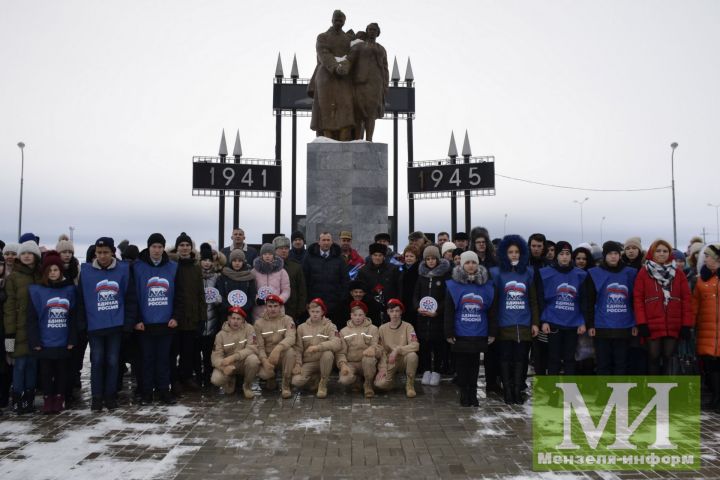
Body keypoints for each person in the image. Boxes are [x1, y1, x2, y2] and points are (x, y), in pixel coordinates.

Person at [76, 237, 136, 411]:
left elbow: (130, 298)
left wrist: (128, 324)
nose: (102, 256)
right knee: (97, 360)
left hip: (115, 325)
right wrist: (82, 324)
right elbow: (81, 299)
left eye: (106, 252)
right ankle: (96, 397)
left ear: (112, 253)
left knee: (112, 361)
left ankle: (110, 395)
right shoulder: (86, 271)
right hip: (95, 326)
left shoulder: (123, 270)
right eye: (99, 252)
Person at [490, 235, 540, 405]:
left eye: (516, 252)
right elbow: (494, 302)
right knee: (505, 358)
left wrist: (535, 322)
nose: (513, 255)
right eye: (510, 252)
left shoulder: (528, 272)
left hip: (524, 324)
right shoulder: (497, 273)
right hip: (505, 323)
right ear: (504, 253)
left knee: (521, 359)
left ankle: (518, 389)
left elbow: (533, 300)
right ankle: (508, 390)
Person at [26, 251, 77, 414]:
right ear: (45, 272)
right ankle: (48, 398)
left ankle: (60, 397)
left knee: (62, 371)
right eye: (50, 270)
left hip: (63, 340)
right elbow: (32, 319)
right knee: (46, 372)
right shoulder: (37, 291)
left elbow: (74, 317)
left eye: (56, 270)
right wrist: (35, 341)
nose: (53, 273)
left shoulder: (70, 290)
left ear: (60, 271)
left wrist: (72, 338)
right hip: (45, 340)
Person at [132, 233, 179, 405]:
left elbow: (178, 295)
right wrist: (136, 319)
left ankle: (163, 391)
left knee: (164, 359)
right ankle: (146, 392)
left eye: (160, 247)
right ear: (148, 247)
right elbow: (133, 295)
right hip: (145, 324)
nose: (157, 250)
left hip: (166, 322)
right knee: (147, 360)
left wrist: (175, 316)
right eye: (154, 247)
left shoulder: (173, 267)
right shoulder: (137, 267)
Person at [633, 239, 693, 375]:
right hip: (651, 324)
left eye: (665, 251)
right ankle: (653, 391)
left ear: (670, 253)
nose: (661, 254)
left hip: (673, 323)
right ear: (652, 253)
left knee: (668, 358)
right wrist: (641, 323)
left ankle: (666, 391)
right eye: (658, 251)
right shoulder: (644, 272)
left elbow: (686, 301)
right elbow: (638, 300)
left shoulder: (678, 273)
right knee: (653, 358)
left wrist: (686, 325)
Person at [445, 251, 495, 407]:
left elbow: (492, 311)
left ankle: (473, 394)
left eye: (473, 262)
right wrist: (449, 332)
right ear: (462, 265)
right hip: (460, 332)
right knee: (461, 365)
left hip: (479, 331)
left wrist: (492, 332)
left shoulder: (487, 285)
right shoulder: (453, 285)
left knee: (474, 366)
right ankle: (464, 394)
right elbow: (449, 311)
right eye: (467, 263)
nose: (471, 265)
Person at [585, 241, 638, 375]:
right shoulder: (594, 273)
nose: (613, 256)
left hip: (624, 325)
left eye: (616, 253)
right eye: (610, 254)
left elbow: (635, 300)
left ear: (620, 255)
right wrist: (590, 324)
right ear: (604, 256)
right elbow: (589, 300)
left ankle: (619, 394)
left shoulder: (630, 273)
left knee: (621, 364)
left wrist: (635, 323)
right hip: (602, 325)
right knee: (603, 364)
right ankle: (604, 394)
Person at [3, 240, 42, 413]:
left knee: (33, 365)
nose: (26, 256)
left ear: (35, 256)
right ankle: (18, 399)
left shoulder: (40, 276)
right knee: (19, 365)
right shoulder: (13, 278)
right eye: (23, 253)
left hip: (36, 330)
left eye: (30, 253)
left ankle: (29, 399)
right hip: (16, 330)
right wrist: (9, 334)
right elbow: (9, 308)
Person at [538, 241, 587, 377]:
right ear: (556, 256)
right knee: (553, 359)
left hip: (572, 323)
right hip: (553, 322)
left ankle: (569, 390)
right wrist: (544, 321)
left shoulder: (580, 275)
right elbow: (541, 299)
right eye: (561, 254)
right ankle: (552, 391)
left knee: (569, 359)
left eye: (567, 254)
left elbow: (584, 300)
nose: (564, 257)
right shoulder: (546, 273)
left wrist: (583, 321)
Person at [169, 232, 207, 394]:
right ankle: (174, 379)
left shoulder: (196, 267)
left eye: (187, 245)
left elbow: (200, 294)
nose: (184, 248)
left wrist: (202, 317)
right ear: (177, 248)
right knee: (173, 351)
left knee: (188, 351)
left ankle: (186, 377)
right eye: (181, 245)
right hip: (175, 317)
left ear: (191, 248)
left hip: (192, 317)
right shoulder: (171, 266)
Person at [309, 10, 354, 140]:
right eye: (336, 19)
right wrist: (335, 67)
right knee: (326, 107)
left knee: (346, 106)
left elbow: (352, 55)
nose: (338, 21)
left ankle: (344, 137)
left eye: (341, 20)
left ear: (344, 21)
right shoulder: (322, 37)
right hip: (326, 76)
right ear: (332, 20)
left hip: (344, 77)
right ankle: (327, 137)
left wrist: (345, 66)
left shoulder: (348, 39)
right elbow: (323, 53)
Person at [413, 246, 451, 386]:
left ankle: (437, 372)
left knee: (439, 346)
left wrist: (438, 311)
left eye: (433, 258)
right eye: (427, 259)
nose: (430, 261)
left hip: (438, 319)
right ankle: (427, 370)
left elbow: (447, 298)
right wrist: (417, 307)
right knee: (425, 346)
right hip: (423, 319)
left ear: (438, 259)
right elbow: (416, 295)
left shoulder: (445, 276)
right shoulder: (421, 276)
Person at [292, 298, 342, 398]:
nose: (315, 314)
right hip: (309, 362)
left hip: (324, 361)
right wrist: (298, 364)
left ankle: (323, 383)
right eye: (312, 311)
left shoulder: (330, 326)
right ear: (309, 312)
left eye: (317, 311)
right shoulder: (301, 327)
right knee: (296, 381)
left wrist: (318, 347)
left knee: (328, 353)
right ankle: (314, 378)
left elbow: (337, 343)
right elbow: (298, 348)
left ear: (323, 312)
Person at [347, 22, 388, 141]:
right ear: (367, 31)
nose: (372, 32)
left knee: (371, 114)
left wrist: (385, 85)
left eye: (374, 30)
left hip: (376, 84)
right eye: (369, 29)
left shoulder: (381, 49)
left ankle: (369, 139)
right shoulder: (359, 47)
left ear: (378, 33)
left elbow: (385, 69)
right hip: (360, 83)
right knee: (359, 113)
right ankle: (358, 139)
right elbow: (349, 61)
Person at [211, 306, 260, 399]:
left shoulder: (249, 329)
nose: (235, 321)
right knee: (216, 379)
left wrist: (234, 357)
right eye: (233, 318)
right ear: (228, 319)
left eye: (238, 319)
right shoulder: (220, 335)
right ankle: (230, 379)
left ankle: (247, 387)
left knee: (253, 360)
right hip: (228, 364)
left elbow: (252, 348)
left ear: (243, 320)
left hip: (243, 362)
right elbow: (215, 357)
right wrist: (223, 367)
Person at [374, 299, 420, 397]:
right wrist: (382, 368)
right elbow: (381, 350)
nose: (394, 314)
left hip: (403, 358)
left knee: (412, 356)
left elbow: (415, 345)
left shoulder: (408, 326)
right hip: (390, 361)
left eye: (397, 311)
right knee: (379, 384)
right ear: (387, 312)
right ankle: (391, 381)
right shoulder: (382, 328)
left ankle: (410, 385)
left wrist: (397, 350)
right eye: (392, 311)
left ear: (401, 312)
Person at [693, 244, 720, 410]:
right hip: (706, 330)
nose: (705, 259)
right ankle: (716, 398)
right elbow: (695, 304)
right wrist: (690, 324)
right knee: (711, 365)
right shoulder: (701, 280)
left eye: (708, 256)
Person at [254, 295, 296, 398]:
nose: (273, 309)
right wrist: (264, 361)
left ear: (280, 307)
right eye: (270, 306)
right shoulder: (258, 323)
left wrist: (278, 349)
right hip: (268, 356)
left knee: (290, 352)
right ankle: (271, 378)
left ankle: (286, 385)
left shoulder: (288, 320)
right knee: (265, 374)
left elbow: (291, 338)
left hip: (281, 355)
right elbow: (259, 346)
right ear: (266, 307)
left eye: (275, 306)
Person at [336, 300, 381, 398]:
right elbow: (341, 352)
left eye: (360, 315)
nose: (357, 318)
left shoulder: (373, 329)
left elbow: (377, 345)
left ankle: (368, 384)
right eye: (355, 315)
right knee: (344, 380)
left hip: (366, 362)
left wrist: (372, 349)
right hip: (351, 363)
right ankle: (356, 380)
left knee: (368, 359)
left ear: (365, 315)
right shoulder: (344, 331)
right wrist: (342, 364)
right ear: (351, 315)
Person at [303, 232, 348, 326]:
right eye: (323, 240)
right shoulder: (309, 258)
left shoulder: (339, 259)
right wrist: (307, 300)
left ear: (332, 242)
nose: (326, 242)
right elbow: (304, 280)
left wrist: (341, 299)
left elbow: (345, 281)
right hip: (315, 304)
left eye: (328, 240)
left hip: (334, 304)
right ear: (318, 242)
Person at [357, 242, 398, 325]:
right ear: (371, 256)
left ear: (384, 256)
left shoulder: (393, 269)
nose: (377, 258)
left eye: (380, 255)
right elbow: (361, 290)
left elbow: (398, 288)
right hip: (370, 308)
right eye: (375, 255)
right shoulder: (363, 271)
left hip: (390, 308)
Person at [199, 243, 221, 388]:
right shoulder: (195, 275)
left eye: (209, 260)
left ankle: (209, 378)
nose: (207, 263)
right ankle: (198, 377)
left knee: (209, 353)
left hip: (213, 320)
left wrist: (217, 298)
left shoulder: (218, 277)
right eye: (204, 260)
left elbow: (221, 296)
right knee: (196, 352)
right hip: (199, 320)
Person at [251, 244, 290, 322]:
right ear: (261, 255)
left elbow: (286, 290)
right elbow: (251, 290)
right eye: (265, 254)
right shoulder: (254, 272)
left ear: (274, 255)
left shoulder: (282, 271)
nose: (267, 256)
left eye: (270, 254)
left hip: (277, 309)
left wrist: (279, 300)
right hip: (259, 311)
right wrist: (257, 299)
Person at [273, 236, 307, 323]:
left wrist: (300, 310)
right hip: (271, 310)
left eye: (286, 248)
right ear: (275, 250)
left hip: (291, 310)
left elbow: (302, 290)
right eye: (281, 248)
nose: (284, 251)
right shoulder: (268, 266)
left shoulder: (296, 266)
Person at [216, 249, 256, 321]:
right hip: (227, 315)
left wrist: (241, 309)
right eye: (234, 261)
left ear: (243, 262)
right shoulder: (223, 276)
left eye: (240, 261)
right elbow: (221, 295)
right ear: (231, 262)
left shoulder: (249, 277)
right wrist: (231, 308)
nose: (237, 263)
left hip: (245, 315)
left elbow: (252, 297)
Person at [397, 245, 420, 328]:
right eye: (407, 256)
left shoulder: (419, 271)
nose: (409, 258)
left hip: (414, 305)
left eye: (411, 256)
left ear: (416, 258)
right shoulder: (401, 269)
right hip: (402, 303)